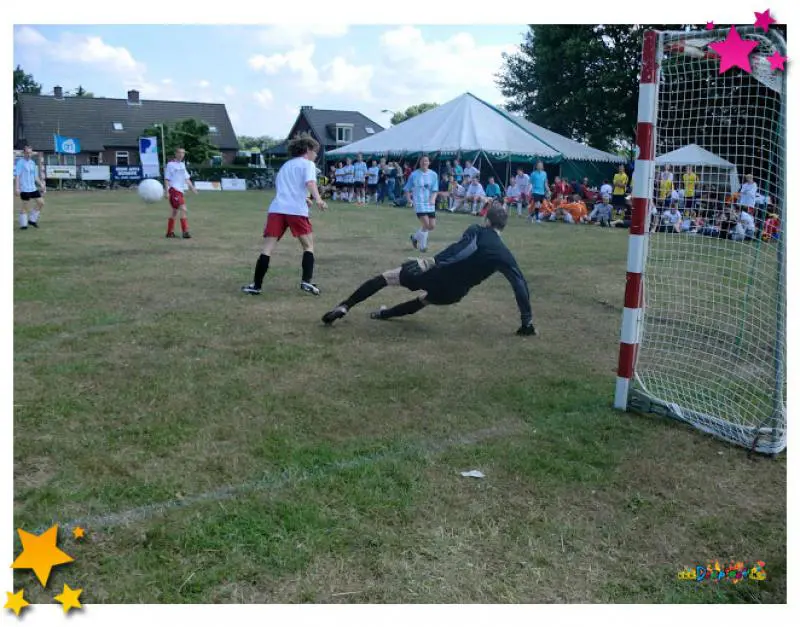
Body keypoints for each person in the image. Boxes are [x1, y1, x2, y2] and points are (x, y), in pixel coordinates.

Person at [321, 204, 537, 336]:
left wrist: (430, 261)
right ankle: (382, 313)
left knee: (386, 278)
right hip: (454, 293)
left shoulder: (478, 230)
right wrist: (526, 321)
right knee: (424, 300)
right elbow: (519, 285)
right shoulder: (505, 255)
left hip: (436, 273)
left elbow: (464, 249)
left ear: (487, 220)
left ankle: (345, 306)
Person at [241, 133, 327, 296]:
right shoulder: (307, 164)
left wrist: (305, 198)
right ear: (308, 150)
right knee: (308, 246)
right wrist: (318, 199)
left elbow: (288, 187)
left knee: (267, 248)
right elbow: (310, 183)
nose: (316, 155)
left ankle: (256, 286)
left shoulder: (286, 165)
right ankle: (306, 281)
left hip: (277, 209)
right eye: (315, 151)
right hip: (296, 211)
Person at [405, 155, 439, 253]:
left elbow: (435, 190)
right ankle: (423, 247)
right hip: (419, 203)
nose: (424, 163)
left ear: (429, 163)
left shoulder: (433, 175)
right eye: (422, 161)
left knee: (432, 226)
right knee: (426, 224)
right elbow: (407, 188)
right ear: (419, 163)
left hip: (429, 204)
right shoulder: (414, 175)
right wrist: (409, 199)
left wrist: (433, 199)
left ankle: (415, 237)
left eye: (426, 161)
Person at [164, 147, 198, 239]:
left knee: (174, 212)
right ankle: (185, 232)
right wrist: (167, 191)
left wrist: (192, 188)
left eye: (183, 153)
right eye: (179, 152)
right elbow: (167, 179)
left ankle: (169, 233)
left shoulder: (182, 165)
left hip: (180, 192)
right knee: (183, 209)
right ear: (175, 153)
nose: (181, 155)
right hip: (174, 190)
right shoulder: (170, 164)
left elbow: (186, 178)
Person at [14, 145, 46, 230]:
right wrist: (17, 188)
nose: (29, 154)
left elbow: (35, 176)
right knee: (25, 206)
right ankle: (23, 225)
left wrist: (41, 184)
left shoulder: (32, 163)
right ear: (24, 153)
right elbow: (17, 176)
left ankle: (32, 220)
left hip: (33, 188)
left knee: (41, 203)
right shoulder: (20, 163)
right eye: (27, 152)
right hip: (24, 189)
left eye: (30, 153)